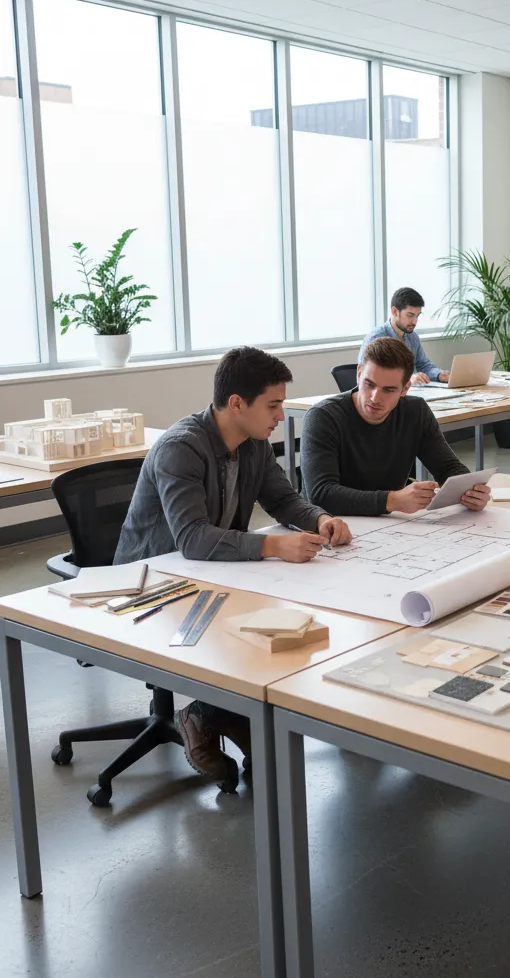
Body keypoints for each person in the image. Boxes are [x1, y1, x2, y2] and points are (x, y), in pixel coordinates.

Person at [114, 346, 353, 784]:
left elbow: (283, 498)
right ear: (237, 403)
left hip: (213, 569)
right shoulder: (181, 448)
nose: (280, 416)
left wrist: (320, 519)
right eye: (273, 405)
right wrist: (275, 547)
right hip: (153, 582)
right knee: (255, 622)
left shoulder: (254, 443)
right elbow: (192, 539)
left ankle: (221, 712)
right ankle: (206, 714)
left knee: (283, 620)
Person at [302, 337, 491, 516]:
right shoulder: (323, 416)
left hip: (389, 522)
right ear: (359, 374)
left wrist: (470, 492)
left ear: (405, 389)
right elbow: (321, 494)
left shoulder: (415, 412)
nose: (375, 397)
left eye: (388, 390)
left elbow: (448, 468)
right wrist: (392, 500)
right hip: (331, 523)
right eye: (369, 384)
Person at [359, 287, 449, 386]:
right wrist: (407, 380)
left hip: (416, 391)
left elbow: (423, 365)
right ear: (394, 312)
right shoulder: (376, 338)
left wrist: (439, 375)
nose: (415, 321)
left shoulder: (412, 337)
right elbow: (369, 376)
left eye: (417, 316)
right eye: (410, 315)